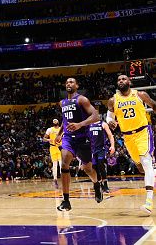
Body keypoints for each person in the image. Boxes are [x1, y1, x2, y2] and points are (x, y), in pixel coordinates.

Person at [107, 74, 156, 215]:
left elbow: (153, 105)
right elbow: (109, 115)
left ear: (129, 82)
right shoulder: (113, 100)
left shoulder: (140, 95)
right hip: (128, 137)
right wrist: (110, 121)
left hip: (143, 132)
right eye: (119, 80)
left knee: (146, 162)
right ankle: (153, 172)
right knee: (140, 167)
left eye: (124, 79)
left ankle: (148, 202)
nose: (121, 81)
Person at [55, 78, 102, 211]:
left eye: (71, 82)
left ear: (77, 85)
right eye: (67, 82)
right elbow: (65, 120)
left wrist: (80, 124)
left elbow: (96, 116)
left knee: (88, 169)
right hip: (69, 139)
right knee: (64, 163)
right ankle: (66, 200)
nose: (68, 84)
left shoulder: (82, 100)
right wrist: (60, 133)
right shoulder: (62, 103)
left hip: (83, 138)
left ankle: (96, 184)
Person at [89, 118, 115, 194]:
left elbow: (110, 135)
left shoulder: (103, 124)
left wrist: (112, 146)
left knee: (101, 164)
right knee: (94, 167)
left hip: (101, 148)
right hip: (92, 149)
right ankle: (99, 184)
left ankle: (105, 184)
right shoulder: (88, 124)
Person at [43, 119, 63, 188]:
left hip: (60, 147)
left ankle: (63, 179)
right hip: (53, 147)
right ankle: (55, 180)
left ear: (58, 122)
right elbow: (44, 138)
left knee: (61, 164)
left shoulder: (61, 129)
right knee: (55, 165)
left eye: (55, 121)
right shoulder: (50, 129)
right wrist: (49, 139)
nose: (55, 122)